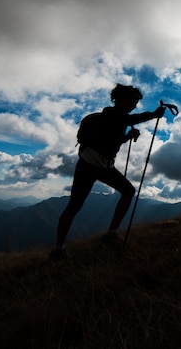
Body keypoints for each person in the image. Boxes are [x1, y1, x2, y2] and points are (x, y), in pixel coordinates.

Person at [50, 84, 165, 259]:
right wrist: (154, 114)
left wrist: (127, 137)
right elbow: (131, 120)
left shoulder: (112, 118)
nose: (135, 105)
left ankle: (59, 249)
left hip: (91, 164)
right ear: (122, 99)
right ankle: (108, 235)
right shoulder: (115, 115)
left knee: (75, 206)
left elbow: (110, 144)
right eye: (133, 101)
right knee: (125, 191)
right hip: (97, 166)